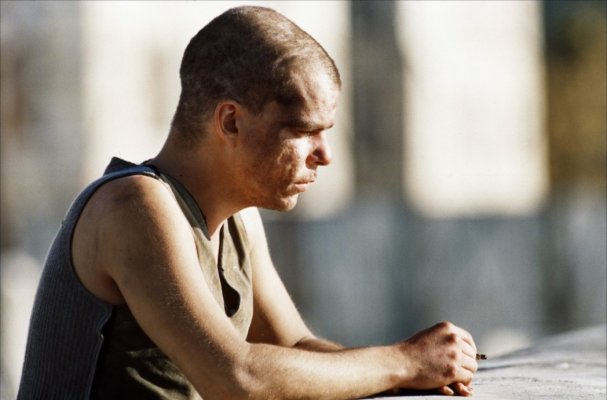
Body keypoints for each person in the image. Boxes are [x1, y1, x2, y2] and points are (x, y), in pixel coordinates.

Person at [18, 5, 478, 399]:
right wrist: (403, 362)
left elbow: (293, 347)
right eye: (303, 132)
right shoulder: (134, 205)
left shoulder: (240, 218)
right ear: (231, 122)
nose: (325, 155)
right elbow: (235, 377)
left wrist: (419, 374)